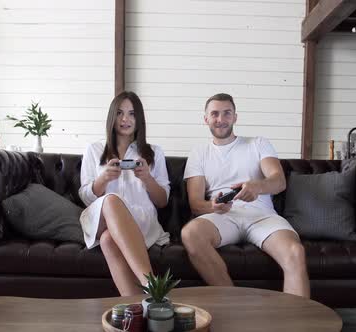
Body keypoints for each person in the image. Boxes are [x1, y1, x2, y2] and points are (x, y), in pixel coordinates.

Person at [181, 93, 310, 298]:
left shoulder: (258, 143)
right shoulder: (199, 153)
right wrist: (213, 206)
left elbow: (279, 181)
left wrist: (257, 187)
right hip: (221, 216)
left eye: (227, 113)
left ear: (235, 117)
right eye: (214, 114)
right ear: (206, 119)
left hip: (261, 215)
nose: (221, 119)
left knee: (295, 252)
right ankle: (237, 305)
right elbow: (195, 203)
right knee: (190, 234)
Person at [78, 91, 170, 296]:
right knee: (111, 201)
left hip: (139, 219)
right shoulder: (94, 149)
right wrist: (103, 179)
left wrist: (147, 178)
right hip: (100, 217)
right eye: (120, 113)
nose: (125, 119)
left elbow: (162, 201)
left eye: (132, 114)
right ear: (112, 116)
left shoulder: (154, 152)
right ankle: (153, 284)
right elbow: (85, 196)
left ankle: (141, 307)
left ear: (139, 119)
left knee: (108, 240)